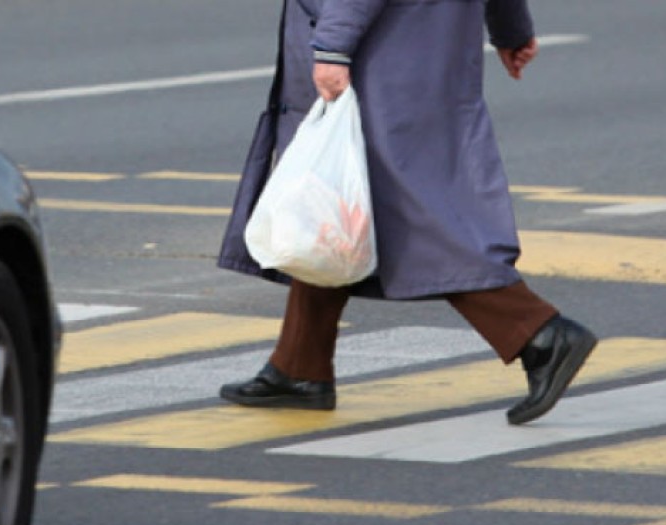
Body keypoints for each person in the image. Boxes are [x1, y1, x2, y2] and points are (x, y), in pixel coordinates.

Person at [216, 0, 596, 425]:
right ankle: (299, 367)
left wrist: (333, 48)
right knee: (335, 214)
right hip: (428, 56)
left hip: (381, 56)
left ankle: (539, 334)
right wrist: (511, 28)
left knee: (412, 219)